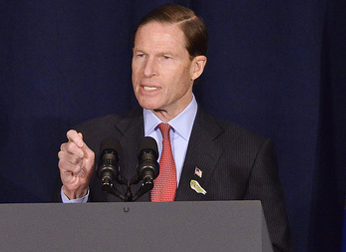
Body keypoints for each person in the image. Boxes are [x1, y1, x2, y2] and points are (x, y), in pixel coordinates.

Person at [56, 4, 291, 251]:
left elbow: (271, 246)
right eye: (140, 55)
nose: (147, 71)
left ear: (196, 67)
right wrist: (75, 194)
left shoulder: (246, 153)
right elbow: (59, 240)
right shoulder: (94, 142)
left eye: (165, 58)